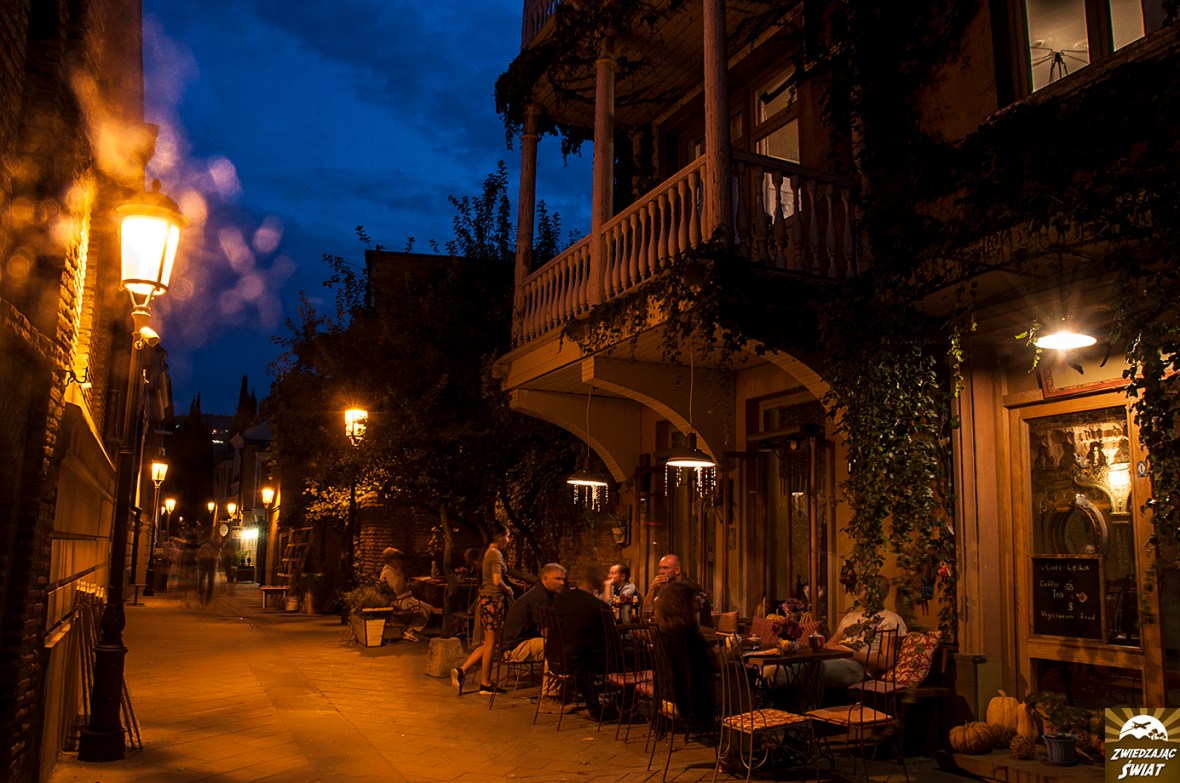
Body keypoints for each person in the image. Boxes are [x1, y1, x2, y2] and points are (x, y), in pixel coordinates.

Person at [452, 524, 513, 696]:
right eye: (507, 536)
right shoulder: (495, 554)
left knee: (489, 643)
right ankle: (485, 683)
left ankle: (461, 671)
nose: (508, 540)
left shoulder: (487, 552)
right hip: (493, 601)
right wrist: (507, 589)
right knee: (492, 643)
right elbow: (496, 580)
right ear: (499, 537)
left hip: (485, 600)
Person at [821, 575, 908, 688]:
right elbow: (829, 645)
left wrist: (850, 654)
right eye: (861, 589)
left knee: (815, 669)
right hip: (835, 659)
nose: (860, 594)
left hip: (859, 667)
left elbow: (887, 661)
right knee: (804, 666)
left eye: (865, 589)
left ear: (878, 593)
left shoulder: (890, 620)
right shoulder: (850, 617)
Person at [552, 565, 614, 719]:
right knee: (635, 657)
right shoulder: (598, 606)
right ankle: (621, 704)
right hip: (577, 661)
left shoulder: (562, 598)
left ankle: (597, 703)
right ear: (599, 584)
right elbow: (612, 640)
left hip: (554, 656)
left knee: (584, 653)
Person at [652, 581, 715, 727]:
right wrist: (730, 653)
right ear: (684, 603)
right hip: (685, 702)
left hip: (666, 697)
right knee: (739, 683)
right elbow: (705, 667)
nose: (697, 601)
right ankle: (739, 739)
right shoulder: (685, 633)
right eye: (693, 598)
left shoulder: (665, 628)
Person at [502, 563, 566, 662]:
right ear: (545, 579)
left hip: (517, 643)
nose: (562, 583)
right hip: (515, 647)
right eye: (557, 579)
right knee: (560, 646)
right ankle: (551, 673)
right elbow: (546, 632)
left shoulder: (541, 592)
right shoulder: (540, 597)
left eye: (562, 579)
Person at [642, 553, 712, 626]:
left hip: (698, 630)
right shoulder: (664, 586)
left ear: (677, 570)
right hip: (674, 629)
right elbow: (646, 611)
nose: (661, 572)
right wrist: (652, 588)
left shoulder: (688, 587)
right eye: (660, 568)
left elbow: (679, 616)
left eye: (665, 568)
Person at [379, 547, 431, 642]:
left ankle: (412, 630)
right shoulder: (388, 573)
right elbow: (399, 591)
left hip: (403, 599)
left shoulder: (391, 571)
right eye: (399, 560)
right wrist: (401, 575)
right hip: (400, 602)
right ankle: (410, 631)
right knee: (426, 609)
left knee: (429, 607)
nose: (401, 563)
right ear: (392, 560)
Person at [196, 535, 220, 607]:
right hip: (211, 562)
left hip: (204, 562)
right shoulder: (215, 545)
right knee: (210, 581)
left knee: (202, 579)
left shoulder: (203, 545)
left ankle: (202, 596)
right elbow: (216, 555)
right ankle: (208, 599)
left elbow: (198, 555)